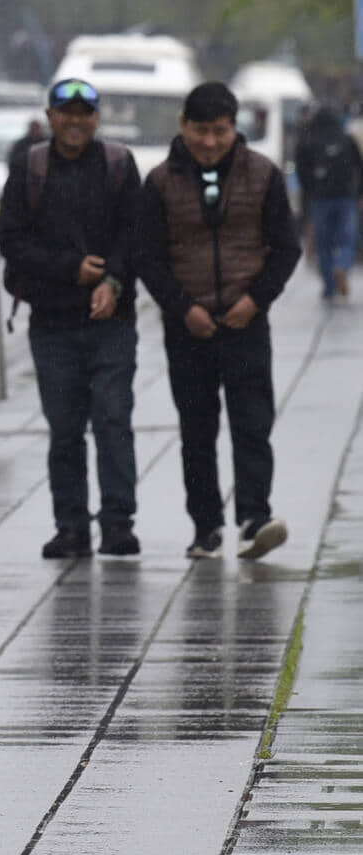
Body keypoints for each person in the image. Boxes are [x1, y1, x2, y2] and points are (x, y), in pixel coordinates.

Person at [134, 81, 301, 560]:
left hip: (246, 321)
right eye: (201, 131)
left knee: (252, 423)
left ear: (235, 129)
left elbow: (286, 248)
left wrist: (256, 300)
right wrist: (182, 307)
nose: (210, 142)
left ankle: (254, 516)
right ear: (184, 127)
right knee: (196, 429)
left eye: (220, 132)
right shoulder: (161, 181)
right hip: (187, 326)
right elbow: (148, 256)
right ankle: (204, 526)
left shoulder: (263, 176)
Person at [0, 77, 143, 559]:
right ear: (51, 115)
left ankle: (118, 523)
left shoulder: (120, 166)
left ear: (96, 118)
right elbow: (12, 241)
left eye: (85, 113)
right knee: (64, 428)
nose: (75, 121)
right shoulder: (29, 168)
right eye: (66, 112)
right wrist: (71, 270)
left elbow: (136, 233)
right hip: (53, 322)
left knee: (113, 419)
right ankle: (71, 525)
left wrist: (112, 281)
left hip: (112, 321)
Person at [294, 102, 363, 299]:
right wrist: (359, 193)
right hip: (346, 197)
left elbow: (301, 171)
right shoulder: (346, 139)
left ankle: (328, 286)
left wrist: (310, 191)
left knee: (324, 244)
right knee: (347, 239)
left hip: (320, 198)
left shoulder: (307, 141)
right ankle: (341, 264)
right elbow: (360, 166)